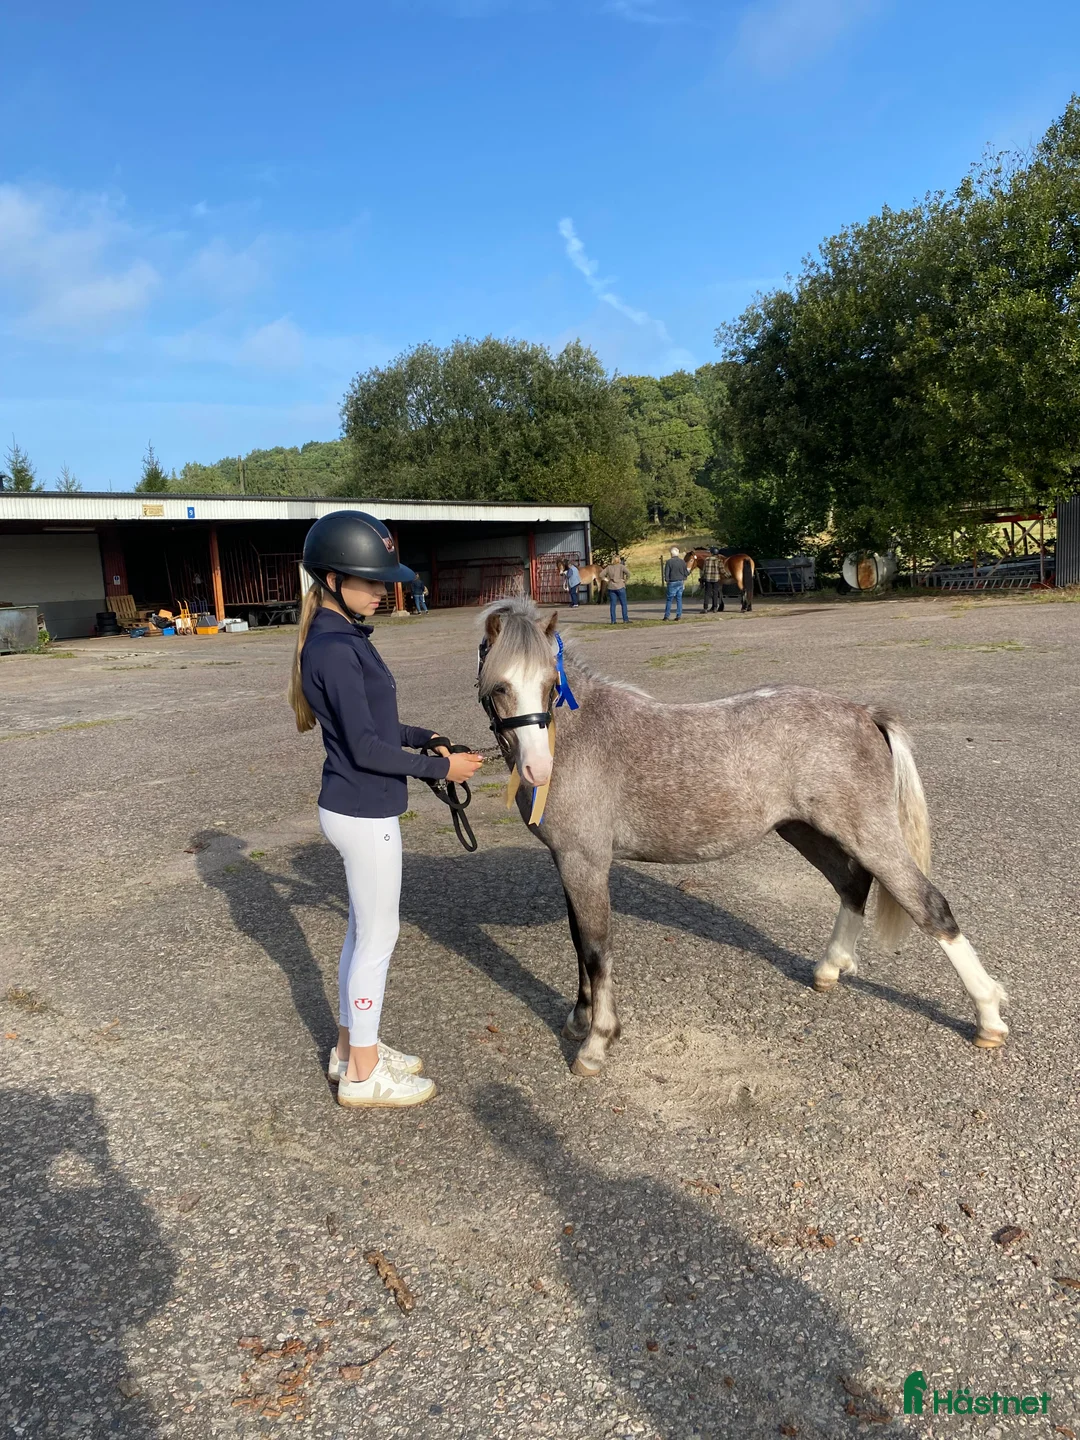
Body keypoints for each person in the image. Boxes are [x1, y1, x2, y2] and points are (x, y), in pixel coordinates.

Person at [288, 511, 483, 1109]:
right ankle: (364, 1077)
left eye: (383, 581)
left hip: (359, 806)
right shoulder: (335, 649)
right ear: (329, 578)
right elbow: (368, 747)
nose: (383, 591)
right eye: (370, 581)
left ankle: (351, 1050)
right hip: (363, 812)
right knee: (378, 938)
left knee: (359, 934)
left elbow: (373, 724)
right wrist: (439, 770)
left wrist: (426, 736)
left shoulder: (341, 639)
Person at [602, 555, 630, 624]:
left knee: (613, 605)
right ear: (619, 560)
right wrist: (625, 580)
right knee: (623, 604)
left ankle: (613, 620)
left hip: (611, 587)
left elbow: (601, 575)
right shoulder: (621, 566)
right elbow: (628, 573)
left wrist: (607, 580)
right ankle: (625, 619)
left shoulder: (609, 567)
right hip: (620, 586)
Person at [663, 547, 688, 621]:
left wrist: (667, 581)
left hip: (672, 581)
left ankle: (667, 616)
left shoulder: (669, 562)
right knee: (679, 599)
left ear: (671, 554)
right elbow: (686, 572)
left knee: (669, 599)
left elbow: (666, 573)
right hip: (680, 581)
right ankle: (679, 615)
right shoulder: (682, 562)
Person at [701, 548, 725, 613]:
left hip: (708, 579)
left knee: (707, 593)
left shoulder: (706, 560)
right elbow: (722, 570)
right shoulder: (719, 560)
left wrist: (702, 577)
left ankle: (705, 608)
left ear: (711, 553)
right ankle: (715, 608)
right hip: (716, 579)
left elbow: (703, 570)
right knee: (715, 593)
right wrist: (726, 575)